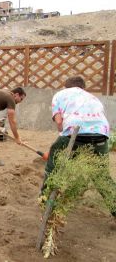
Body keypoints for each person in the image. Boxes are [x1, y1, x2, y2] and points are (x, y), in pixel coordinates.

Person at [41, 75, 116, 218]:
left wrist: (63, 138)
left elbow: (59, 122)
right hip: (101, 134)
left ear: (66, 86)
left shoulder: (60, 95)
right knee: (101, 175)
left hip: (75, 133)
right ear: (83, 88)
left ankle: (45, 199)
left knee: (54, 163)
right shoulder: (93, 98)